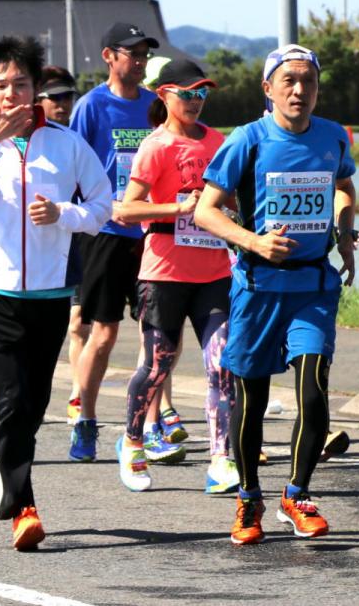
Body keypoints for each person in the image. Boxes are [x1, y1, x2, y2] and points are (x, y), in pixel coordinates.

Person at [0, 35, 110, 550]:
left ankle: (9, 478)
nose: (11, 93)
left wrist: (64, 214)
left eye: (20, 83)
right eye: (1, 85)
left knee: (32, 405)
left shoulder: (66, 144)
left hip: (51, 295)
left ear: (36, 87)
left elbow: (103, 206)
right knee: (11, 399)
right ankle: (23, 506)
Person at [194, 44, 356, 545]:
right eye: (289, 80)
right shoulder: (247, 140)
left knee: (313, 388)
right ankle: (249, 497)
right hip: (259, 287)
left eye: (308, 81)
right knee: (252, 399)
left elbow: (343, 186)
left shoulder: (332, 136)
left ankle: (297, 493)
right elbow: (205, 210)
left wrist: (343, 232)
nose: (299, 90)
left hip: (313, 285)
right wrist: (254, 241)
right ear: (268, 88)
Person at [114, 59, 239, 495]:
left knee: (222, 366)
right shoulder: (156, 146)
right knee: (156, 366)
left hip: (214, 271)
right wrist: (177, 208)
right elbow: (126, 209)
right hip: (164, 272)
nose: (196, 101)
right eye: (187, 93)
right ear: (164, 95)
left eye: (202, 93)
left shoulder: (219, 142)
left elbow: (234, 199)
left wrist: (231, 213)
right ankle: (132, 442)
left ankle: (221, 459)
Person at [67, 22, 176, 462]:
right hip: (107, 233)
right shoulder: (91, 107)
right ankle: (85, 418)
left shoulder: (154, 105)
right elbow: (72, 166)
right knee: (104, 332)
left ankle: (149, 426)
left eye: (145, 54)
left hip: (150, 233)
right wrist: (89, 213)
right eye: (133, 53)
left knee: (155, 335)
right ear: (109, 56)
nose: (140, 61)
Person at [31, 67, 90, 424]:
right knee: (70, 323)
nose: (63, 103)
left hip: (83, 238)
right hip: (39, 250)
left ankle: (78, 394)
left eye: (68, 96)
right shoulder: (26, 142)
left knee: (82, 322)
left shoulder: (74, 142)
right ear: (37, 99)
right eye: (55, 97)